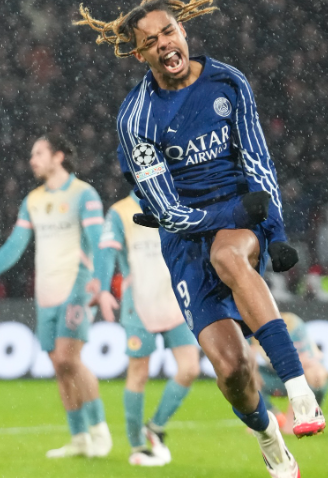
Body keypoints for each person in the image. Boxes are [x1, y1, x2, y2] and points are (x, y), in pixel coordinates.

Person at [76, 0, 324, 477]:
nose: (163, 43)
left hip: (238, 217)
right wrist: (238, 215)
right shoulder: (136, 119)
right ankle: (269, 439)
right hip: (187, 241)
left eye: (168, 32)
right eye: (150, 42)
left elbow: (259, 163)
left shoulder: (228, 81)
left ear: (183, 30)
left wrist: (273, 232)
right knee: (231, 372)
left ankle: (300, 392)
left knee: (228, 256)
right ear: (139, 55)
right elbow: (169, 213)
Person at [0, 134, 112, 458]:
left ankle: (99, 430)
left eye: (38, 153)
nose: (32, 159)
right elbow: (15, 244)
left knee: (70, 358)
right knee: (58, 365)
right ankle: (79, 437)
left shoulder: (84, 194)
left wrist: (100, 281)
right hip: (46, 291)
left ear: (58, 156)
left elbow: (99, 240)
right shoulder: (33, 200)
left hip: (77, 285)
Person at [93, 191, 201, 466]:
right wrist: (104, 289)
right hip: (138, 304)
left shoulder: (176, 202)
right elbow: (106, 252)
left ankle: (155, 426)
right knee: (139, 373)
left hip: (177, 301)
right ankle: (137, 446)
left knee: (190, 369)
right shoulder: (120, 211)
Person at [251, 312, 328, 435]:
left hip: (300, 373)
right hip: (274, 376)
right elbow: (247, 359)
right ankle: (269, 417)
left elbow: (304, 361)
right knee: (247, 378)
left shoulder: (292, 324)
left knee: (316, 375)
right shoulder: (251, 325)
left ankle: (305, 416)